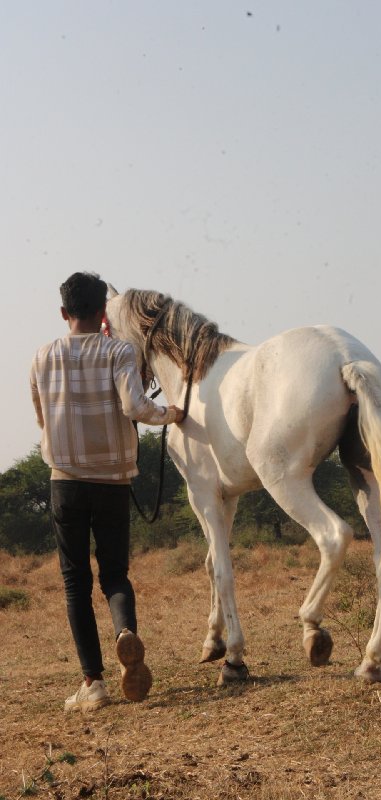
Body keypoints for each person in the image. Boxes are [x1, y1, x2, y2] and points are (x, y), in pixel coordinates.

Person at [30, 272, 183, 712]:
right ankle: (124, 634)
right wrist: (168, 413)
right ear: (103, 315)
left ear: (64, 313)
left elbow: (42, 417)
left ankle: (92, 684)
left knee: (75, 583)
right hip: (114, 481)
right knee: (115, 574)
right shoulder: (120, 351)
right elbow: (134, 407)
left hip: (66, 483)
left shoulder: (42, 357)